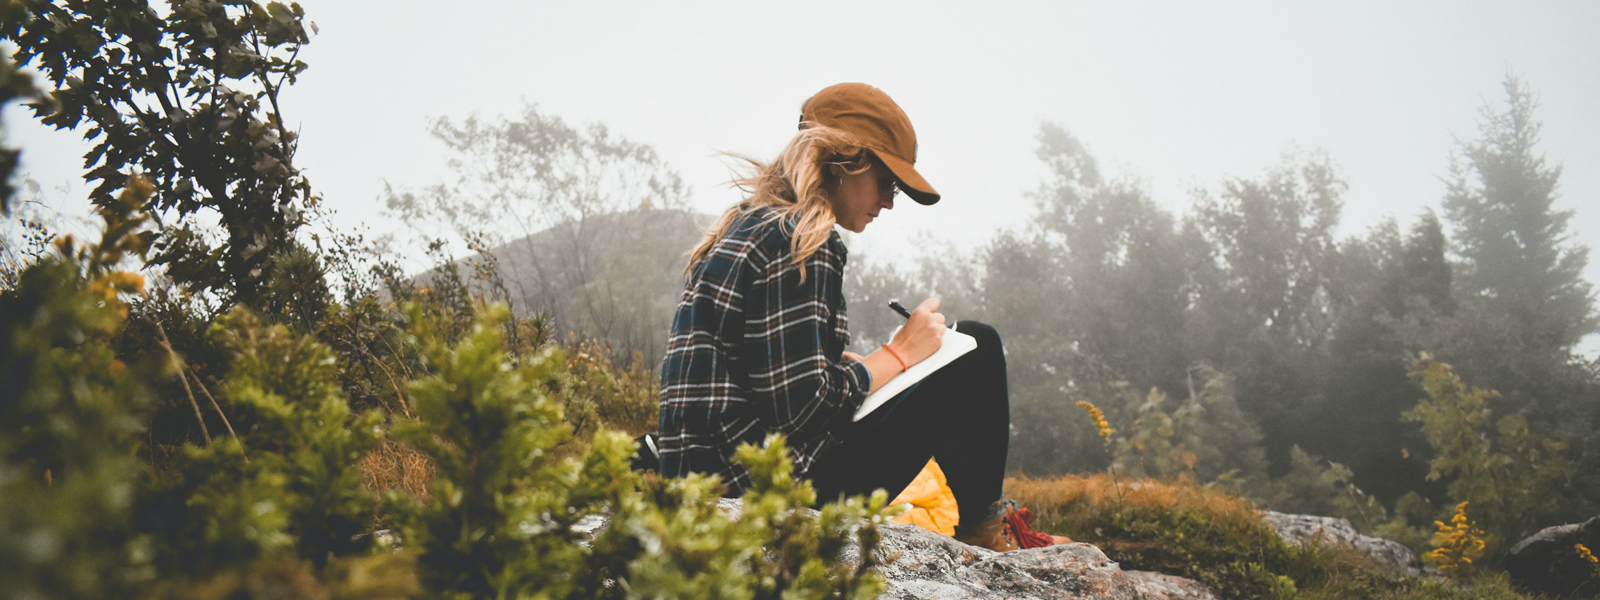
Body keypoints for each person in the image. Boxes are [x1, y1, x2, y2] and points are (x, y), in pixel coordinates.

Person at [657, 83, 1066, 552]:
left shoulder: (747, 227)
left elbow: (765, 387)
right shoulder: (802, 240)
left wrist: (852, 369)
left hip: (711, 480)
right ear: (843, 162)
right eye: (886, 182)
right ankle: (984, 529)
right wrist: (899, 354)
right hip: (766, 490)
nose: (890, 202)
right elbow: (802, 409)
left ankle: (983, 526)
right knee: (976, 346)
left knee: (943, 355)